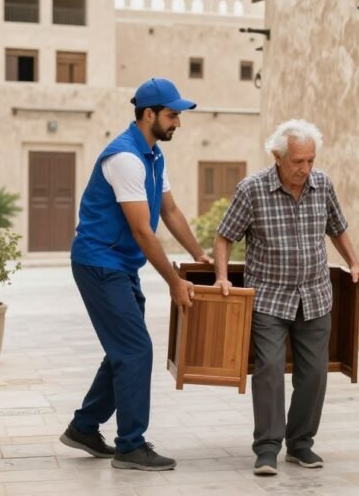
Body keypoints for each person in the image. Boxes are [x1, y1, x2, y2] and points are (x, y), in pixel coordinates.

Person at [59, 77, 209, 471]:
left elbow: (170, 211)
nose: (178, 122)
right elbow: (143, 230)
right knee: (136, 350)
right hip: (99, 263)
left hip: (119, 265)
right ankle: (130, 445)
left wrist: (199, 256)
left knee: (124, 350)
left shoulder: (154, 155)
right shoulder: (125, 157)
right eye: (172, 115)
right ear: (149, 115)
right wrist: (175, 282)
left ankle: (84, 427)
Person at [213, 119, 359, 476]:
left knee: (314, 374)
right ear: (278, 157)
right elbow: (224, 237)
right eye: (298, 161)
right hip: (269, 296)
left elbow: (338, 228)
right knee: (268, 370)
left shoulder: (322, 184)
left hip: (314, 294)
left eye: (310, 160)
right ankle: (267, 448)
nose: (306, 168)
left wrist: (356, 264)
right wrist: (222, 278)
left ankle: (300, 444)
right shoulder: (252, 189)